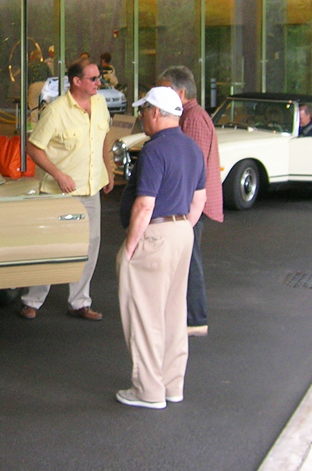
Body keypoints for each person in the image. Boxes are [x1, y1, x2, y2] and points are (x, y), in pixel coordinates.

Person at [116, 87, 206, 409]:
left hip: (155, 233)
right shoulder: (193, 148)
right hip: (183, 230)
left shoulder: (154, 150)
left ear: (156, 112)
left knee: (144, 315)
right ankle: (172, 385)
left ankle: (148, 391)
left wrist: (130, 247)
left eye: (143, 111)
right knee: (173, 313)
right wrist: (182, 229)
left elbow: (144, 204)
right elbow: (200, 199)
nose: (141, 117)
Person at [21, 59, 114, 321]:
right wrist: (58, 175)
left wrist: (108, 171)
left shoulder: (100, 104)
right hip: (57, 194)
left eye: (99, 78)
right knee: (49, 247)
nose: (99, 83)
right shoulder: (56, 111)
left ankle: (80, 302)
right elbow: (33, 148)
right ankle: (32, 300)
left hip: (90, 190)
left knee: (89, 246)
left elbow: (104, 137)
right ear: (77, 82)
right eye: (94, 79)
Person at [158, 66, 223, 337]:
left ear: (180, 93)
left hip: (191, 205)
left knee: (189, 259)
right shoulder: (191, 116)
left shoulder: (194, 118)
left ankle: (195, 318)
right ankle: (189, 317)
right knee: (185, 258)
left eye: (164, 89)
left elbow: (190, 166)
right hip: (190, 203)